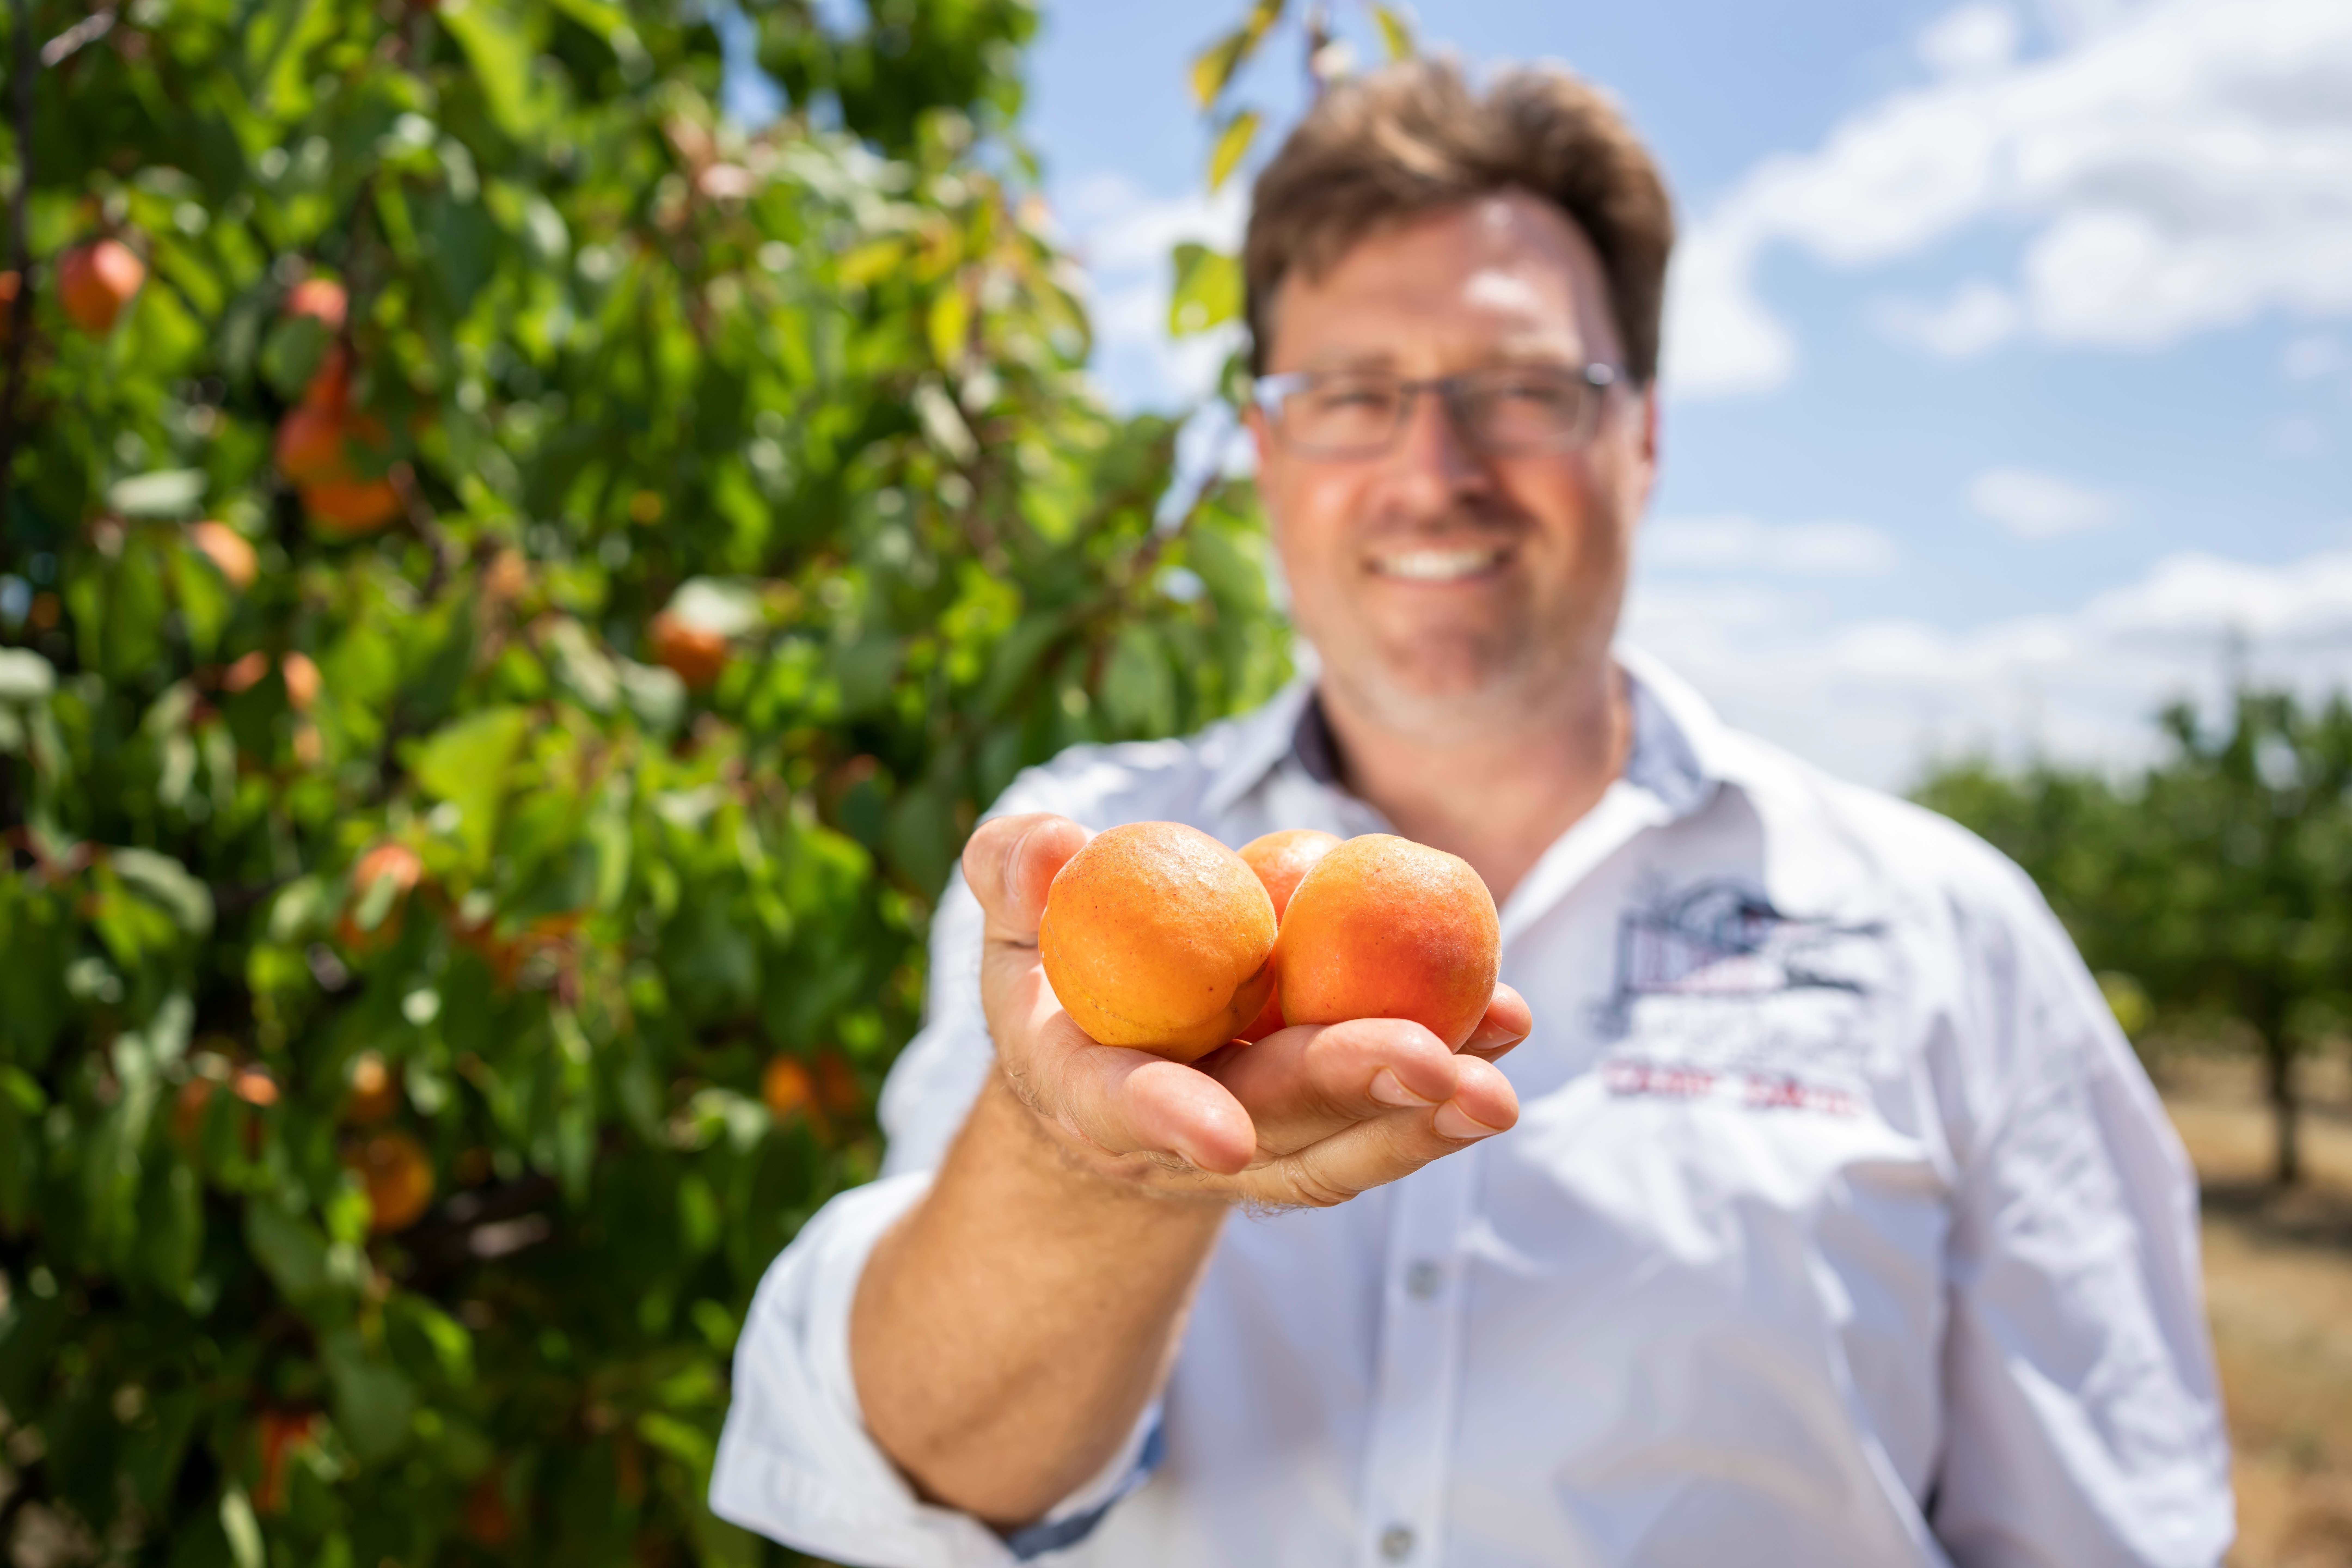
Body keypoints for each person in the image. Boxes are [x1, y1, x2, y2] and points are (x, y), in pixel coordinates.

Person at [710, 59, 2233, 1568]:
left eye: (1519, 390)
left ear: (1642, 434)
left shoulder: (1942, 935)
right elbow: (920, 1476)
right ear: (1265, 452)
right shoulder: (1073, 879)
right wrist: (1081, 1174)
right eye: (1353, 395)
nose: (1432, 474)